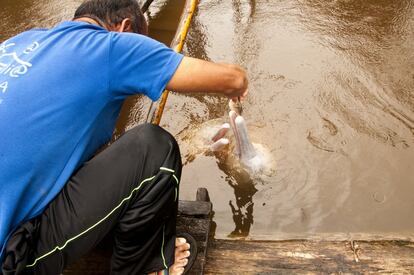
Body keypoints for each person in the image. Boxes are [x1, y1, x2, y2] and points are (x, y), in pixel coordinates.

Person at [0, 0, 248, 274]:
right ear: (125, 27)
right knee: (153, 148)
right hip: (11, 259)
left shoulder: (18, 43)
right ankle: (147, 267)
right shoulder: (111, 46)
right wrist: (240, 85)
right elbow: (233, 79)